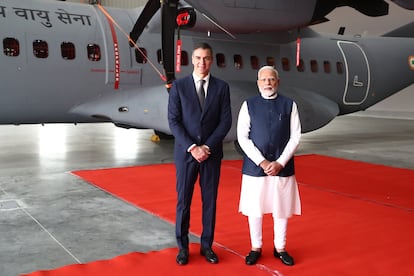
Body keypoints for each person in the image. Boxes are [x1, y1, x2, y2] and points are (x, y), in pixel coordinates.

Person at [168, 42, 232, 265]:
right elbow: (173, 121)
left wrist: (207, 147)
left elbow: (225, 122)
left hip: (211, 155)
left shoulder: (222, 88)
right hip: (186, 154)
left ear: (211, 60)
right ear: (192, 60)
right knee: (183, 202)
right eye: (198, 58)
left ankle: (207, 246)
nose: (202, 62)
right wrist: (193, 147)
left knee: (209, 202)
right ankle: (183, 248)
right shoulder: (179, 87)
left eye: (206, 58)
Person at [237, 65, 301, 266]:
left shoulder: (290, 105)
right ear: (258, 83)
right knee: (255, 209)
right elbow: (242, 137)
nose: (267, 83)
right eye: (263, 80)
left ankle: (280, 247)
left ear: (277, 82)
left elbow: (295, 136)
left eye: (271, 79)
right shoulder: (248, 105)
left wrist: (280, 162)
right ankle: (256, 247)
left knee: (281, 208)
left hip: (282, 168)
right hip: (256, 167)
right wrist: (262, 161)